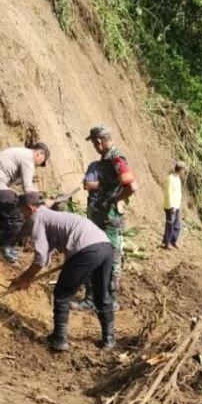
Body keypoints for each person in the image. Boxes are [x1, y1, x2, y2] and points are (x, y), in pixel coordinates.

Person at [12, 192, 115, 351]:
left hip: (86, 250)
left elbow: (39, 259)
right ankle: (109, 339)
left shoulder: (37, 218)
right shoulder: (52, 216)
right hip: (105, 247)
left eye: (22, 211)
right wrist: (27, 277)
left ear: (29, 208)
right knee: (102, 294)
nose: (22, 215)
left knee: (62, 294)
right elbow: (46, 253)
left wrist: (25, 278)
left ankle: (60, 339)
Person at [74, 126, 137, 310]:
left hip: (108, 219)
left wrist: (117, 199)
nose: (94, 145)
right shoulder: (108, 161)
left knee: (102, 254)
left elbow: (132, 186)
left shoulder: (116, 159)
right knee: (109, 255)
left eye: (94, 142)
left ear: (99, 141)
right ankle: (106, 300)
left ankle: (98, 299)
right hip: (104, 217)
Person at [0, 143, 51, 264]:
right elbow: (28, 189)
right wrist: (43, 200)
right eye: (41, 162)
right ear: (39, 153)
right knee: (16, 217)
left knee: (5, 216)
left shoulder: (19, 152)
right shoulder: (28, 158)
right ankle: (4, 248)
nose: (39, 165)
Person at [162, 161, 186, 249]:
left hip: (177, 205)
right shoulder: (171, 178)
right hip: (171, 206)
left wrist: (177, 205)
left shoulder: (177, 178)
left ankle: (173, 241)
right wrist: (171, 206)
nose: (184, 172)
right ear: (180, 169)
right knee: (170, 224)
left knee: (177, 226)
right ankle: (167, 243)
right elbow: (168, 193)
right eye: (183, 170)